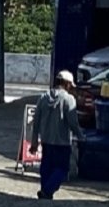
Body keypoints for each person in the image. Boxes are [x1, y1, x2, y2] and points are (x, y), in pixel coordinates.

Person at [29, 69, 84, 200]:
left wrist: (34, 141)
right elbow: (73, 122)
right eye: (70, 85)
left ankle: (45, 192)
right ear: (67, 84)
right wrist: (81, 136)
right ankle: (47, 192)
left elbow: (35, 121)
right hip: (62, 142)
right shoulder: (68, 99)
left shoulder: (43, 97)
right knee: (62, 169)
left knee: (46, 168)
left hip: (46, 141)